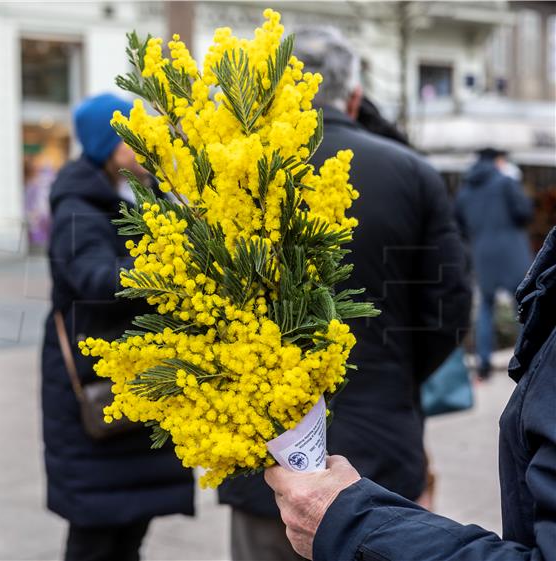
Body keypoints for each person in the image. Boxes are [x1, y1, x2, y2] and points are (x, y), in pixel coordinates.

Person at [217, 27, 472, 561]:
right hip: (379, 458)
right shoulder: (413, 172)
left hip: (262, 457)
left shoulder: (225, 176)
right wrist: (390, 374)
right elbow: (448, 311)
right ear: (354, 96)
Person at [265, 226, 556, 561]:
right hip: (385, 433)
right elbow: (451, 304)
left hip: (290, 473)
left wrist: (349, 525)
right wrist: (406, 373)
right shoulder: (417, 179)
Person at [40, 93, 194, 561]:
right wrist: (168, 267)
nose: (143, 142)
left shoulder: (140, 193)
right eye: (130, 135)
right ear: (107, 145)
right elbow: (91, 279)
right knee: (95, 532)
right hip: (99, 379)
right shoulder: (76, 206)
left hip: (139, 379)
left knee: (130, 527)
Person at [456, 148, 533, 380]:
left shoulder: (465, 190)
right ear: (497, 161)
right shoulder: (506, 182)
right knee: (524, 306)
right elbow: (524, 212)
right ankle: (528, 359)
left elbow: (458, 223)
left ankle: (484, 365)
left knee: (486, 309)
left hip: (482, 254)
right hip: (512, 252)